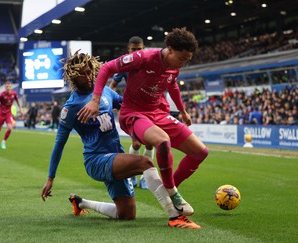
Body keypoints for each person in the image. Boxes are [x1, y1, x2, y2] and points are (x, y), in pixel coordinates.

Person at [41, 51, 200, 229]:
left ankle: (81, 203)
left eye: (88, 72)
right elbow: (59, 143)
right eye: (81, 75)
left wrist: (162, 111)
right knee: (145, 162)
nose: (87, 77)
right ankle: (175, 215)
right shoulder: (71, 107)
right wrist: (50, 178)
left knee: (126, 214)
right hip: (96, 160)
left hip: (116, 156)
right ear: (72, 78)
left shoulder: (106, 92)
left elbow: (132, 108)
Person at [78, 27, 210, 214]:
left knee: (200, 152)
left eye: (187, 60)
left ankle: (167, 187)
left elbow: (172, 87)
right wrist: (95, 99)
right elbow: (107, 68)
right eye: (182, 58)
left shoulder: (174, 67)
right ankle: (173, 193)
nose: (183, 64)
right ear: (170, 49)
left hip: (158, 112)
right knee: (162, 142)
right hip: (134, 113)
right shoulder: (143, 57)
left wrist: (182, 111)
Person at [109, 36, 154, 189]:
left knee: (150, 144)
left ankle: (146, 178)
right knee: (136, 143)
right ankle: (132, 175)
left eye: (139, 49)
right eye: (133, 50)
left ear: (144, 48)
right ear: (128, 50)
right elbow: (112, 85)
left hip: (149, 107)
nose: (136, 52)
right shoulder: (125, 65)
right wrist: (108, 101)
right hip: (133, 108)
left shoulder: (151, 62)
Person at [0, 81, 23, 149]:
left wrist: (20, 109)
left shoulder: (13, 94)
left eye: (9, 87)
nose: (8, 88)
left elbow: (17, 101)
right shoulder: (2, 95)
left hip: (8, 114)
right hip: (1, 114)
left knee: (10, 128)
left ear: (11, 87)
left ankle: (3, 142)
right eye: (6, 87)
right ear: (5, 88)